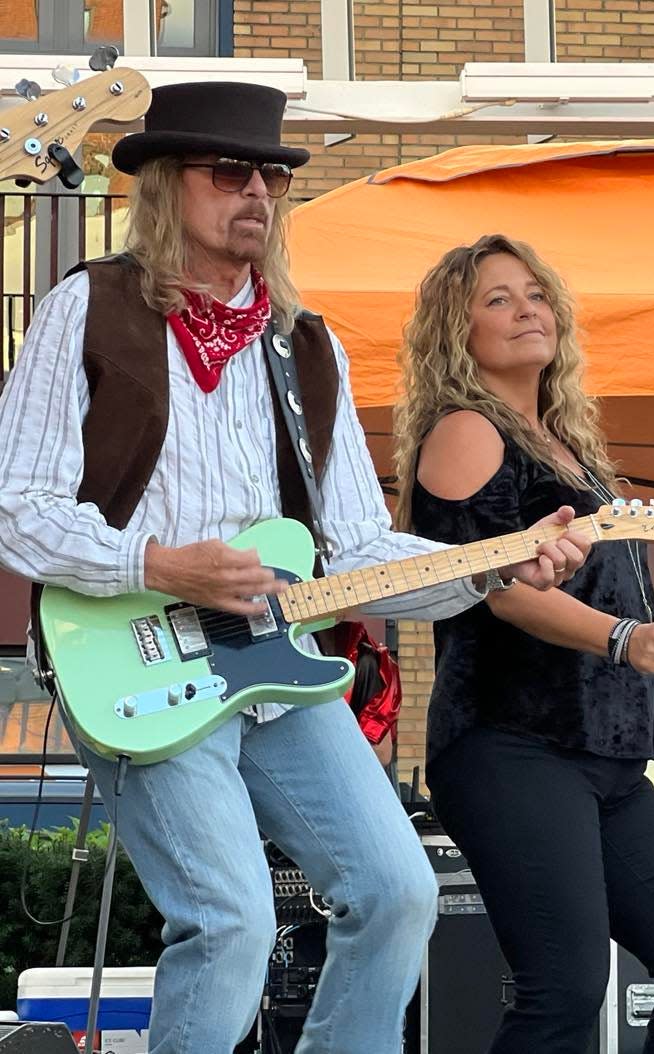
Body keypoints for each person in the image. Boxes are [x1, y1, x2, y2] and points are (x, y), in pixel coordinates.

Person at [0, 84, 590, 1054]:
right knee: (234, 921)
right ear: (161, 186)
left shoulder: (304, 347)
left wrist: (494, 565)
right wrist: (158, 563)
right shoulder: (87, 307)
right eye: (229, 172)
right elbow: (17, 503)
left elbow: (354, 549)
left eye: (271, 176)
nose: (258, 194)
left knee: (399, 893)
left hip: (276, 664)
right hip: (138, 659)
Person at [395, 233, 654, 1053]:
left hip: (603, 758)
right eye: (497, 299)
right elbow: (501, 588)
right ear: (459, 332)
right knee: (563, 988)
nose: (527, 309)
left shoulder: (568, 445)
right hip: (511, 745)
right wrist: (625, 637)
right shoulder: (466, 430)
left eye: (536, 294)